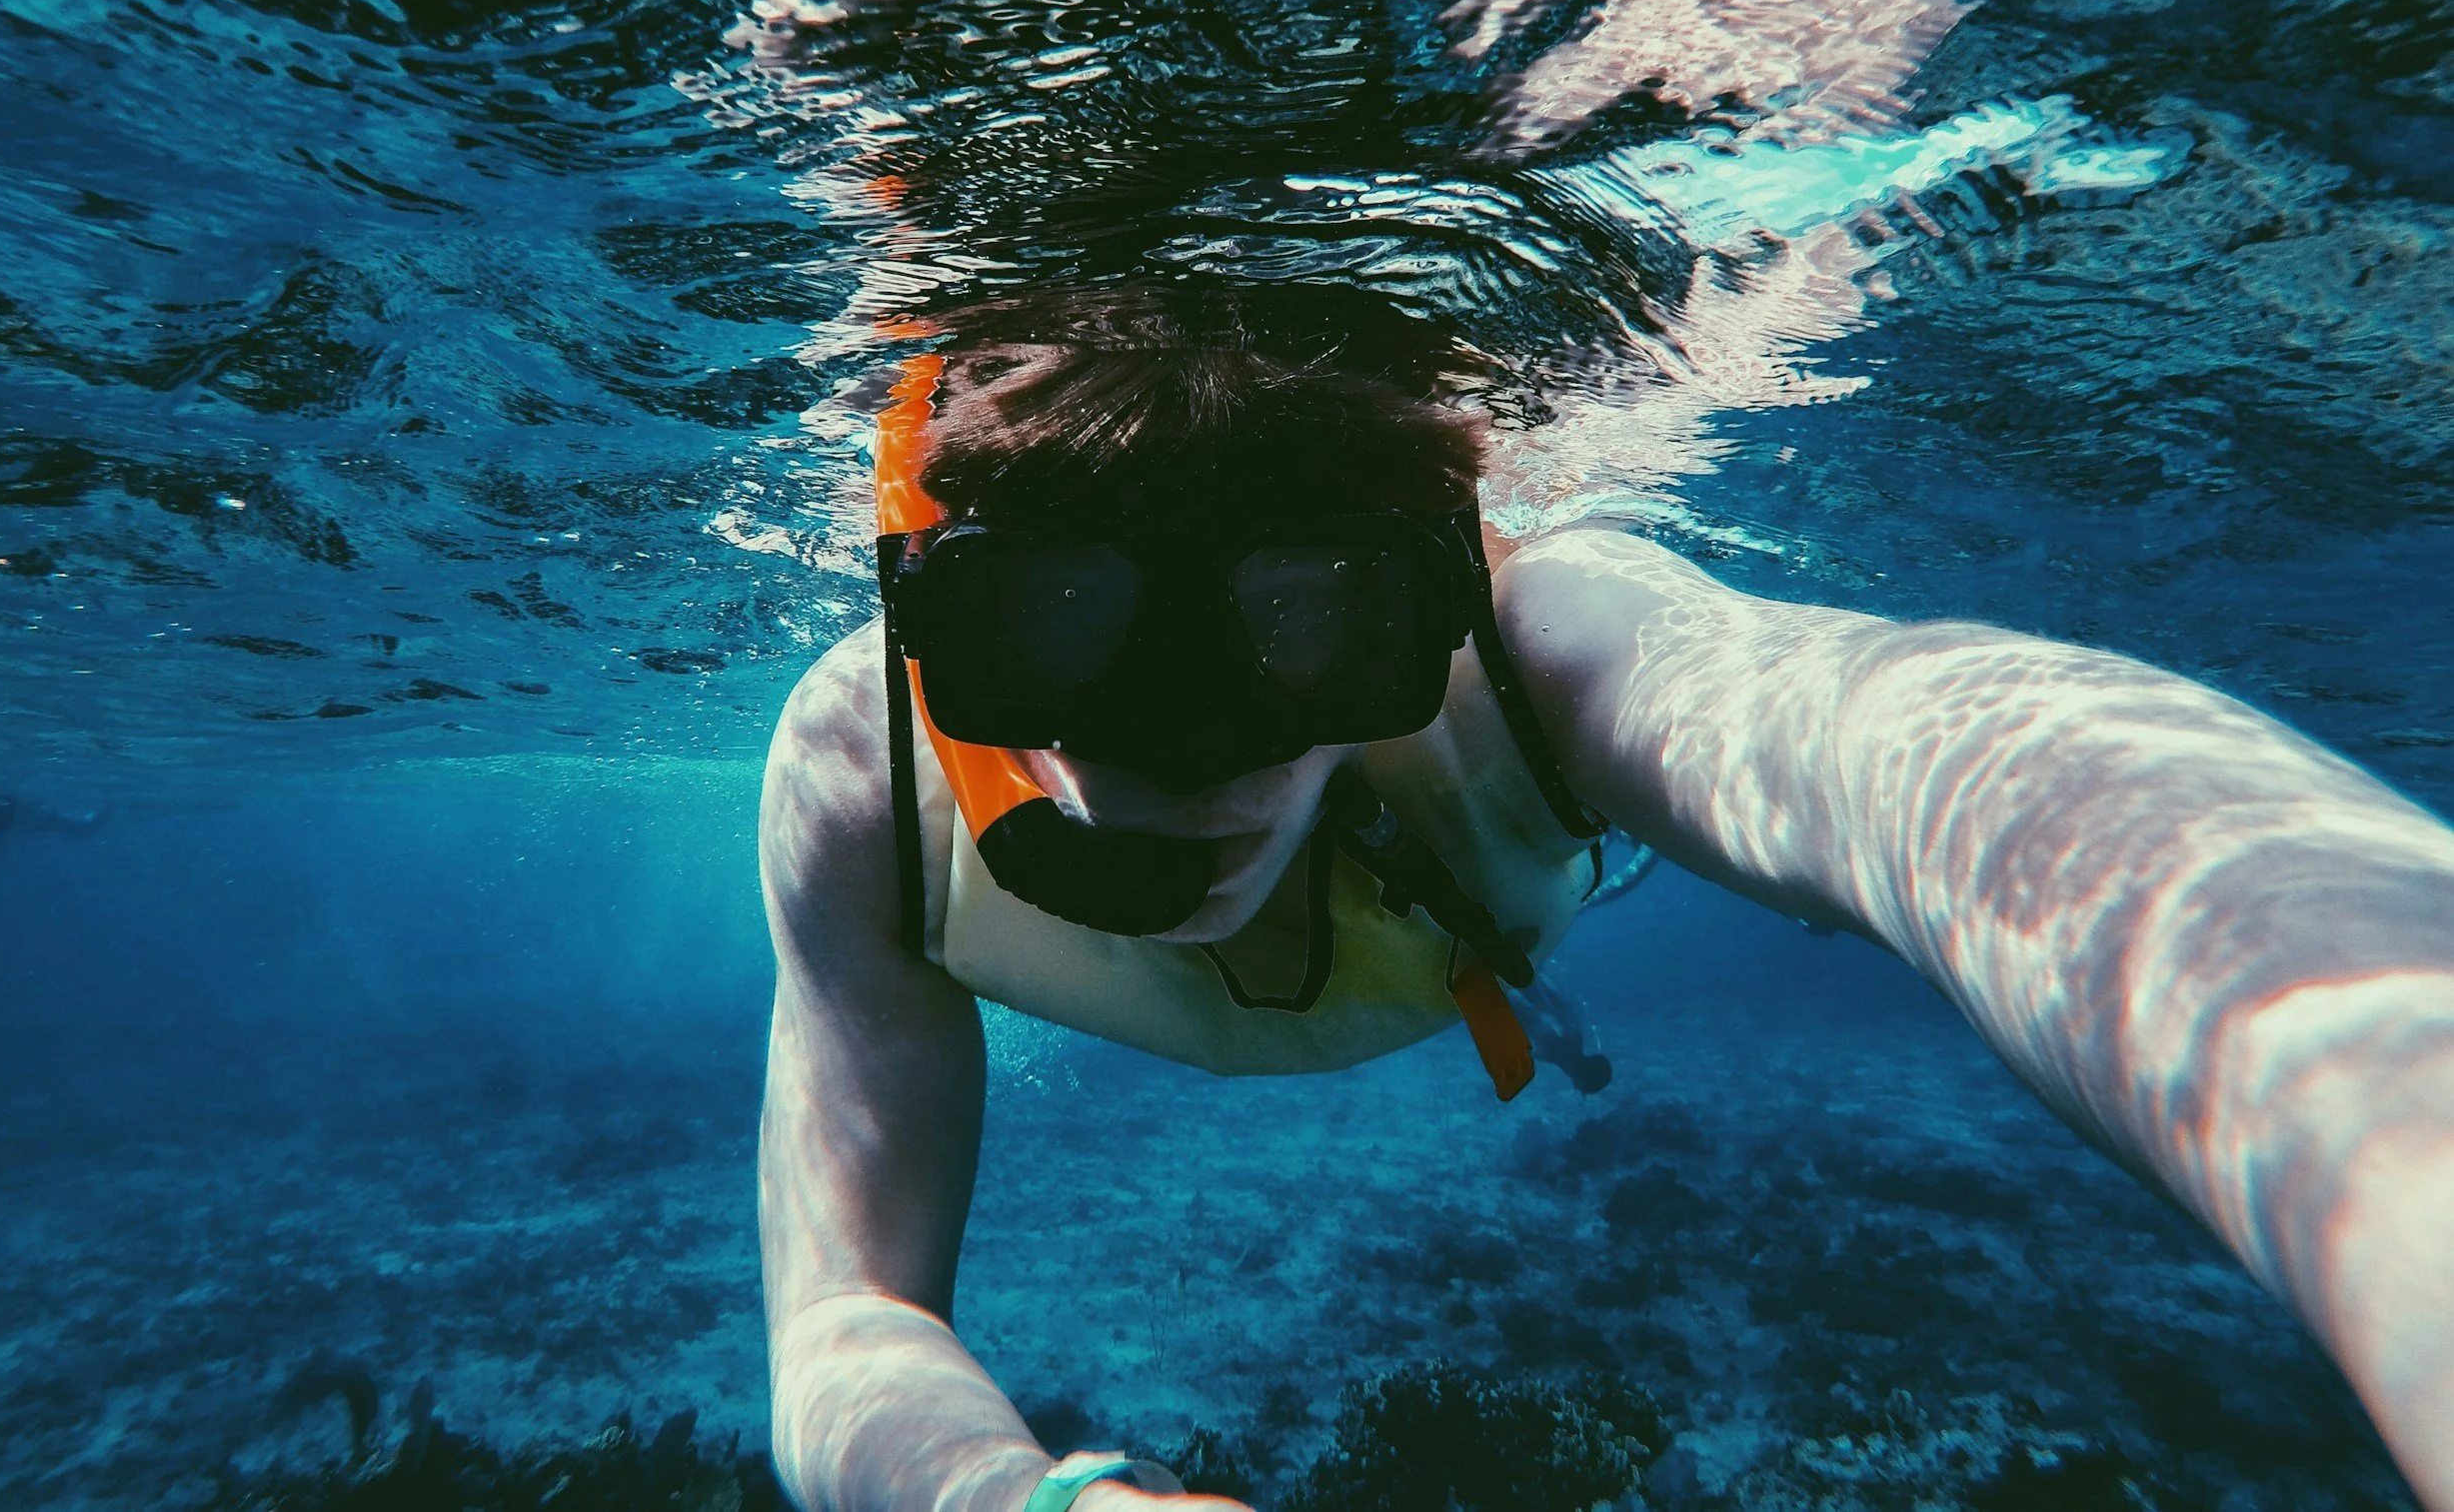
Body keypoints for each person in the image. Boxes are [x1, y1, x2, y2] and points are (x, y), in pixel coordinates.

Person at [756, 284, 2454, 1512]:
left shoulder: (1540, 644)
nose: (1188, 752)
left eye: (1317, 620)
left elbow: (1934, 754)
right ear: (936, 620)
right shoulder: (864, 782)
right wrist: (1027, 1502)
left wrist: (2398, 1134)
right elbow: (842, 1308)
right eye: (1047, 624)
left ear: (1423, 597)